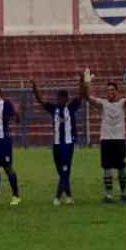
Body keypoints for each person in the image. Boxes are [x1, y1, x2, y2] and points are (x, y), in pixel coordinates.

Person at [83, 78, 126, 203]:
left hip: (119, 140)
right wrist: (86, 83)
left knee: (121, 168)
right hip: (106, 140)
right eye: (108, 90)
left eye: (112, 90)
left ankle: (123, 194)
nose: (110, 92)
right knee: (107, 168)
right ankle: (109, 195)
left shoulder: (122, 103)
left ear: (117, 91)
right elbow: (87, 97)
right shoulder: (102, 103)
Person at [31, 77, 84, 206]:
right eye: (58, 98)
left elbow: (81, 95)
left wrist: (81, 80)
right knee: (61, 171)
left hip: (67, 144)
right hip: (56, 144)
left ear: (66, 99)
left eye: (61, 99)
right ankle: (70, 196)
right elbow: (40, 101)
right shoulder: (53, 108)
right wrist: (34, 87)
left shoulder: (71, 108)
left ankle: (57, 197)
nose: (59, 101)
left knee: (65, 170)